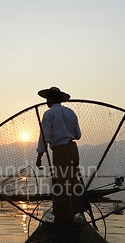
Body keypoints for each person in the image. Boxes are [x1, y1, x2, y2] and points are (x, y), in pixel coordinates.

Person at [35, 87, 84, 224]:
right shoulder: (70, 113)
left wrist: (39, 157)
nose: (46, 102)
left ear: (50, 100)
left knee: (61, 184)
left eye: (47, 100)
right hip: (72, 149)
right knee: (73, 180)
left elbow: (44, 137)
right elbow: (77, 135)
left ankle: (64, 218)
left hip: (60, 150)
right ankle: (78, 209)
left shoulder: (49, 114)